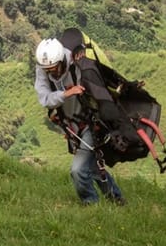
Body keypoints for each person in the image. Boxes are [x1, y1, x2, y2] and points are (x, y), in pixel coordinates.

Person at [34, 37, 126, 205]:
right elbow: (45, 99)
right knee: (92, 167)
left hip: (91, 125)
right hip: (71, 127)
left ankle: (91, 204)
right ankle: (117, 200)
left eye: (53, 69)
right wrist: (65, 94)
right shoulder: (43, 70)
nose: (51, 73)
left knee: (77, 170)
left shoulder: (77, 65)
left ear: (62, 60)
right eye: (47, 70)